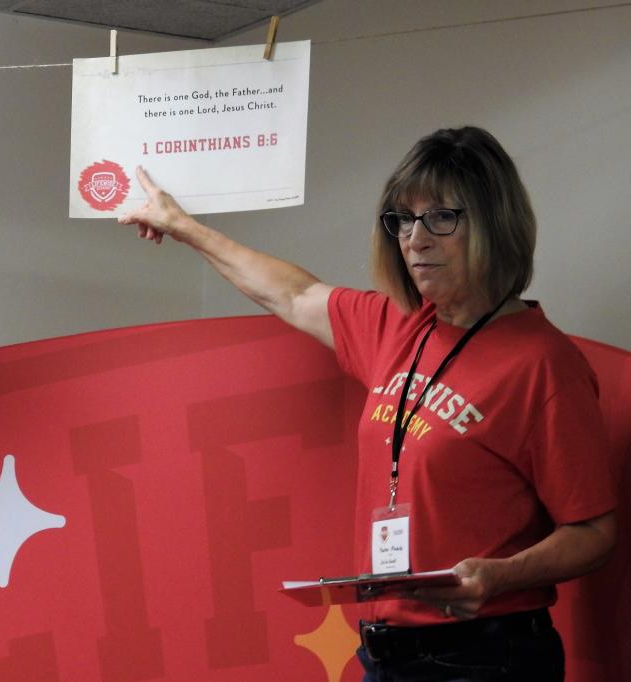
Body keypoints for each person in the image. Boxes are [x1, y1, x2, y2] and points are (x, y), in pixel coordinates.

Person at [117, 126, 616, 681]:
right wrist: (182, 227)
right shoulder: (398, 327)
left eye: (441, 218)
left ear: (496, 225)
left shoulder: (544, 365)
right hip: (385, 651)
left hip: (484, 655)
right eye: (403, 220)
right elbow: (293, 293)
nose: (415, 240)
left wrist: (501, 575)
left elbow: (593, 533)